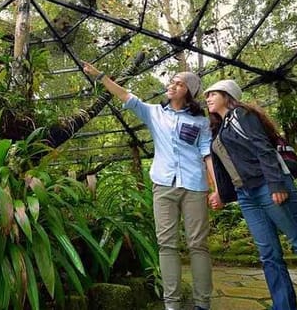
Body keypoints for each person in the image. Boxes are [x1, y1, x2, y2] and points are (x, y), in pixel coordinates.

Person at [204, 79, 297, 310]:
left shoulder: (242, 115)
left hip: (268, 186)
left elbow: (263, 149)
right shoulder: (222, 126)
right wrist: (222, 194)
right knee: (268, 255)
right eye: (207, 95)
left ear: (228, 95)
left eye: (213, 94)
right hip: (246, 195)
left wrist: (277, 185)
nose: (208, 98)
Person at [82, 61, 215, 310]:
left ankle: (202, 303)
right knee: (166, 244)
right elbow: (126, 96)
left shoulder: (201, 122)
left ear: (188, 90)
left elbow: (207, 153)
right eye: (172, 81)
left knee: (198, 244)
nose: (172, 85)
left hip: (195, 185)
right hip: (163, 184)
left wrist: (215, 187)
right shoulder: (154, 113)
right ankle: (172, 304)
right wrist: (101, 76)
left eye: (178, 83)